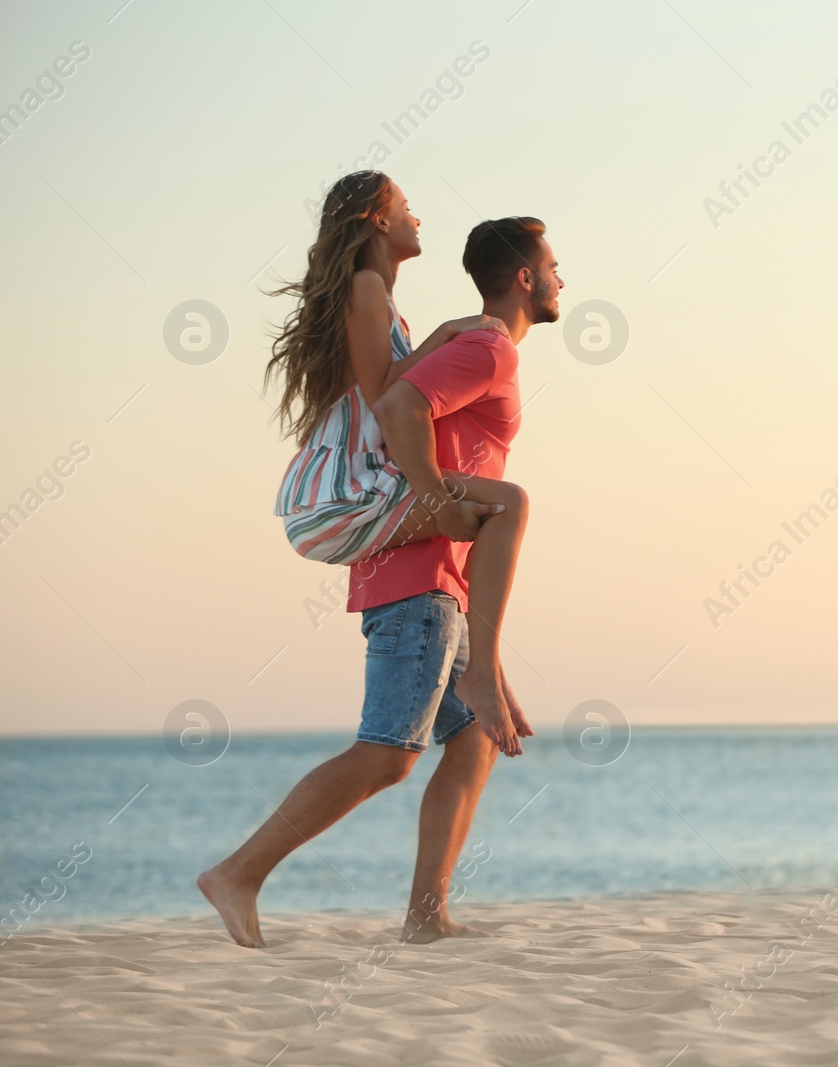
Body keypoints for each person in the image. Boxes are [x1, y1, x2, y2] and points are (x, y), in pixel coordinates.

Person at [199, 206, 562, 948]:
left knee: (473, 742)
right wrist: (432, 502)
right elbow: (397, 403)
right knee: (390, 750)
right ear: (525, 278)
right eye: (554, 267)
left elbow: (399, 392)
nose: (561, 279)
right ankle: (238, 871)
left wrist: (484, 653)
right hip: (418, 576)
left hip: (439, 578)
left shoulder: (473, 341)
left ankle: (427, 916)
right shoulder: (492, 350)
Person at [268, 171, 526, 743]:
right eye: (407, 208)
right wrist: (448, 334)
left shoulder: (378, 298)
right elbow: (385, 393)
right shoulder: (365, 286)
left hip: (346, 492)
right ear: (380, 221)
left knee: (497, 508)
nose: (417, 218)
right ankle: (484, 672)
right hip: (339, 494)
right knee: (508, 502)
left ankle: (484, 673)